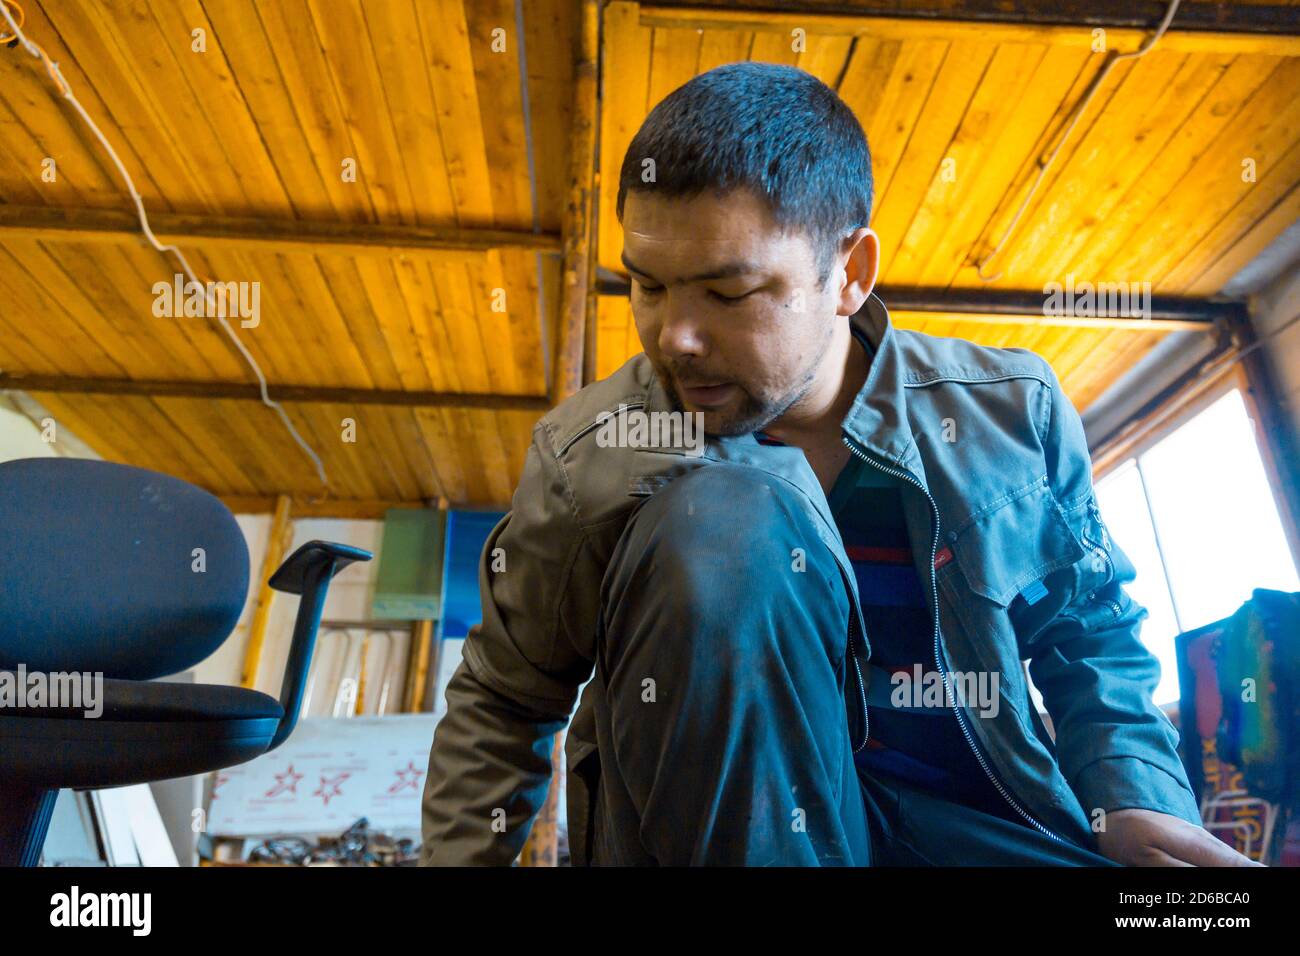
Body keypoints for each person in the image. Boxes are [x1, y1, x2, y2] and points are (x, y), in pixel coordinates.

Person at [420, 62, 1255, 867]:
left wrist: (1136, 796)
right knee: (725, 518)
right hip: (720, 837)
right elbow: (503, 699)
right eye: (648, 286)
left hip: (981, 824)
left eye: (728, 292)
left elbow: (1088, 633)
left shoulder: (1007, 411)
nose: (675, 335)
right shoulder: (592, 453)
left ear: (850, 273)